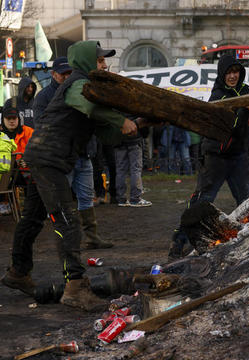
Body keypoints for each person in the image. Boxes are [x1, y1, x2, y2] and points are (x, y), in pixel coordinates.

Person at [1, 40, 141, 311]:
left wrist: (136, 125)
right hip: (48, 159)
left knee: (31, 218)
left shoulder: (88, 89)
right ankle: (75, 287)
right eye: (100, 60)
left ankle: (18, 273)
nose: (104, 65)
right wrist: (120, 120)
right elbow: (90, 109)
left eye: (104, 60)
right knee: (68, 221)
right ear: (87, 61)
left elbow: (104, 133)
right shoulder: (77, 83)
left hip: (45, 158)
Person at [34, 57, 113, 249]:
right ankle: (67, 238)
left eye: (70, 73)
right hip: (63, 157)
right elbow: (41, 125)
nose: (67, 76)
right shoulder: (45, 96)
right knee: (62, 199)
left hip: (82, 154)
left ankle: (91, 237)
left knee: (86, 195)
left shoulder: (78, 89)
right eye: (63, 73)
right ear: (53, 74)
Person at [193, 54, 249, 206]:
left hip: (238, 154)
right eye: (228, 73)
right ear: (222, 74)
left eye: (236, 72)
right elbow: (232, 126)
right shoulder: (218, 96)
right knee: (204, 198)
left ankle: (248, 229)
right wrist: (245, 109)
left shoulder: (244, 92)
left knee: (246, 201)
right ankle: (186, 230)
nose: (233, 76)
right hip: (217, 156)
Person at [114, 117, 151, 207]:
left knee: (120, 170)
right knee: (135, 169)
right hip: (134, 139)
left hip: (120, 140)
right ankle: (135, 198)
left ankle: (121, 198)